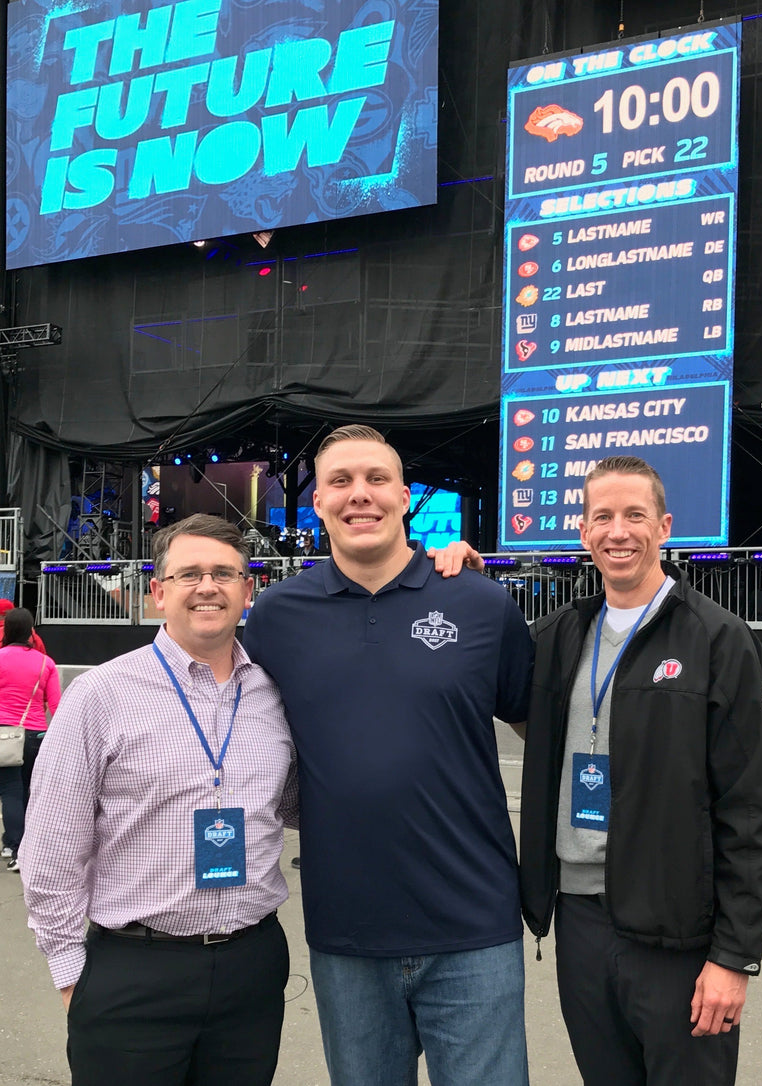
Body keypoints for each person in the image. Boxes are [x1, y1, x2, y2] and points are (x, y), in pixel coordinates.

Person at [243, 425, 534, 1086]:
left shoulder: (482, 605)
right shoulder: (277, 619)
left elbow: (544, 730)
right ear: (316, 502)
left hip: (474, 927)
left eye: (376, 478)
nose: (360, 494)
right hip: (347, 931)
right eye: (340, 481)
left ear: (405, 495)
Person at [519, 456, 762, 1086]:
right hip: (579, 921)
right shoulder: (558, 636)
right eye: (602, 516)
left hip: (676, 935)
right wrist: (456, 575)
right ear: (582, 532)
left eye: (635, 515)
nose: (618, 531)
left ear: (664, 526)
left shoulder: (718, 639)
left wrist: (733, 957)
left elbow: (749, 812)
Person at [18, 515, 298, 1086]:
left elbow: (296, 808)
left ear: (249, 589)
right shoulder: (100, 695)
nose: (207, 586)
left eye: (224, 573)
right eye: (188, 573)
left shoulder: (277, 694)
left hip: (253, 966)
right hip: (134, 969)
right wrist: (74, 974)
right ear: (158, 591)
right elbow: (51, 845)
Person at [0, 608, 61, 871]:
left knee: (11, 793)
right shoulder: (45, 663)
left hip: (3, 732)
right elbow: (56, 704)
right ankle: (30, 848)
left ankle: (15, 849)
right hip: (37, 734)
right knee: (30, 792)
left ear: (6, 631)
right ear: (31, 632)